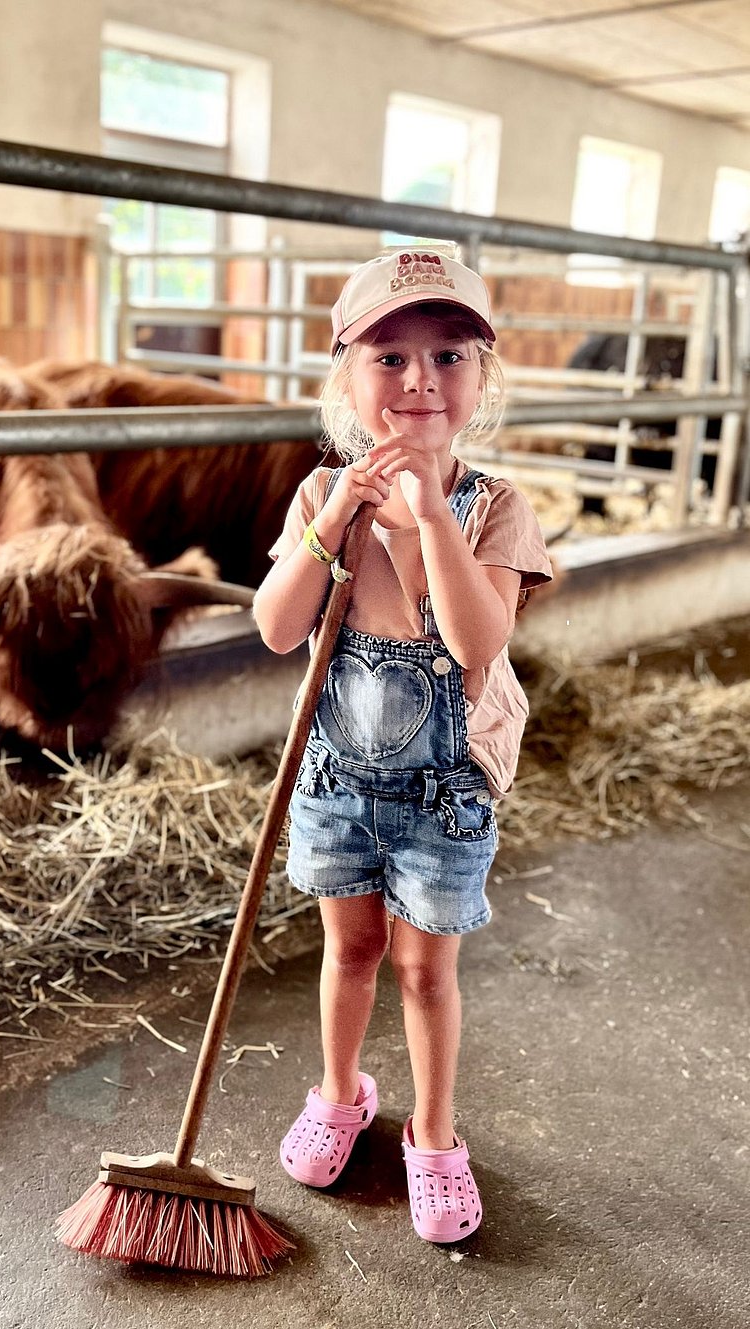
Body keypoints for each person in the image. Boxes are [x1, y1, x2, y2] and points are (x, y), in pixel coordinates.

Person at [252, 244, 553, 1243]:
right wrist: (331, 521)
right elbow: (279, 628)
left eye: (449, 354)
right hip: (336, 782)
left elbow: (476, 641)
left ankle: (431, 1133)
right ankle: (339, 1093)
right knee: (350, 951)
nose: (420, 377)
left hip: (442, 794)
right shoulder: (319, 498)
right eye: (388, 358)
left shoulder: (493, 506)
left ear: (481, 376)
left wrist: (428, 517)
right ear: (346, 376)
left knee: (426, 969)